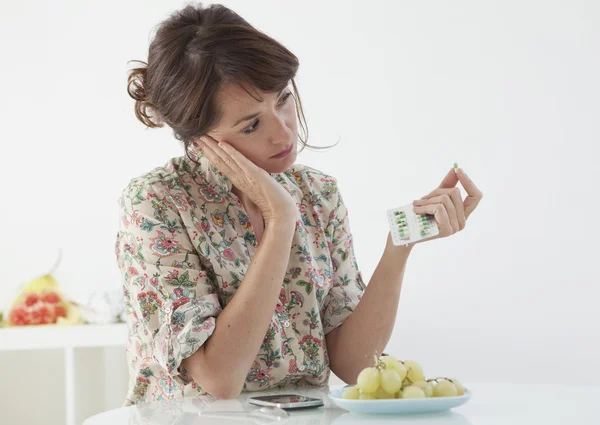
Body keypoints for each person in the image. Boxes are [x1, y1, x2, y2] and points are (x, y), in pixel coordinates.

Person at [115, 2, 483, 405]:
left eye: (283, 99)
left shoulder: (318, 192)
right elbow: (217, 381)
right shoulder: (156, 204)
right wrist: (280, 221)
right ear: (199, 135)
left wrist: (399, 246)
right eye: (251, 124)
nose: (283, 132)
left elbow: (355, 365)